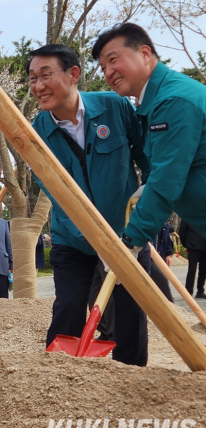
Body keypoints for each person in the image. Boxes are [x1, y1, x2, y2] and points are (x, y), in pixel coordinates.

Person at [28, 44, 151, 366]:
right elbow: (51, 188)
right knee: (68, 305)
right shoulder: (34, 133)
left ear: (73, 74)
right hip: (73, 238)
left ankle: (131, 377)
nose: (38, 86)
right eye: (32, 79)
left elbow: (146, 152)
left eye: (45, 75)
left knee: (128, 311)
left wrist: (148, 192)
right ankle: (56, 376)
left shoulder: (115, 108)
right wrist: (94, 240)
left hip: (126, 236)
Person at [92, 23, 206, 250]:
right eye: (103, 67)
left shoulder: (172, 100)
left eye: (113, 60)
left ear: (145, 54)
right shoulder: (153, 104)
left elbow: (166, 179)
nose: (108, 72)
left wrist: (131, 240)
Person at [178, 220, 206, 298]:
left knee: (203, 270)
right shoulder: (187, 217)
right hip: (193, 247)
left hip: (204, 247)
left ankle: (200, 291)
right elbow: (182, 232)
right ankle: (188, 291)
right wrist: (186, 245)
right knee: (192, 270)